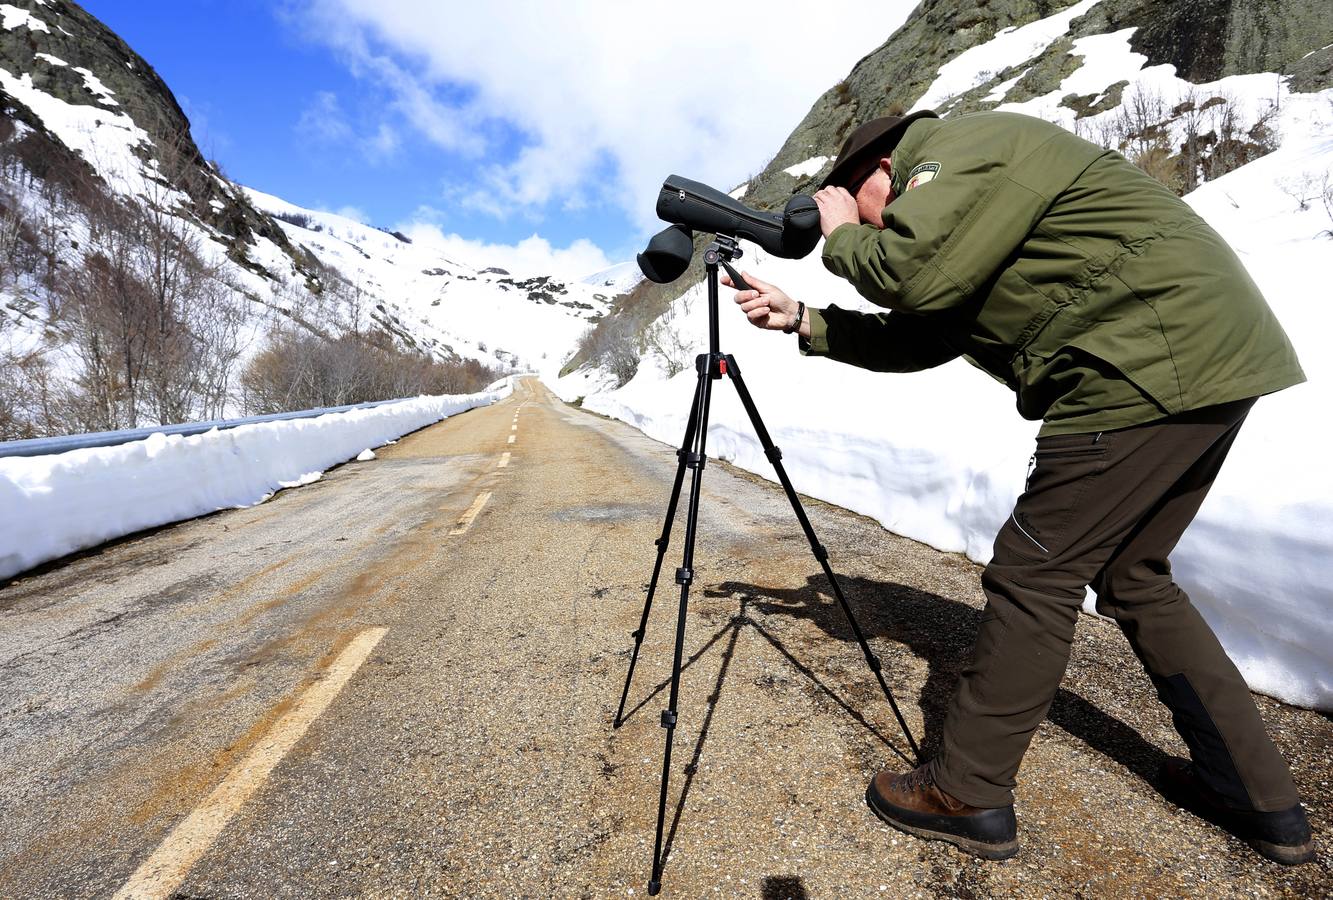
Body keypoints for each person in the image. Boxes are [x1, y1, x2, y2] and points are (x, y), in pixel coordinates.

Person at [723, 110, 1314, 865]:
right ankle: (1253, 794)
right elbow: (922, 329)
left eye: (854, 199)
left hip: (1135, 361)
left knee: (1036, 575)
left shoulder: (957, 148)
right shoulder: (968, 200)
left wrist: (840, 234)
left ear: (880, 169)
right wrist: (804, 319)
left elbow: (908, 273)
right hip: (1194, 355)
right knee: (1132, 576)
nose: (864, 220)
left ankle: (963, 792)